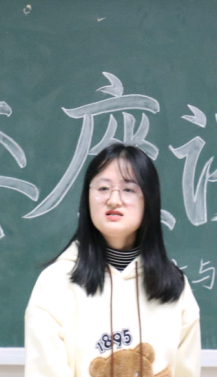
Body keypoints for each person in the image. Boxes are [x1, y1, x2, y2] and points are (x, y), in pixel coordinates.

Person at [24, 143, 201, 377]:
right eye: (103, 188)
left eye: (128, 189)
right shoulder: (56, 282)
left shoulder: (174, 285)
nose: (114, 200)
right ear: (87, 198)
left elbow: (187, 371)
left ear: (149, 200)